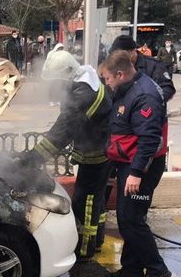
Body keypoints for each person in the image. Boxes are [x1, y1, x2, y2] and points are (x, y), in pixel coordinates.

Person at [18, 50, 112, 259]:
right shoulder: (85, 80)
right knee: (96, 198)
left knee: (85, 201)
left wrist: (32, 158)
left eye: (56, 82)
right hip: (100, 150)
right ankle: (97, 241)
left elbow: (61, 133)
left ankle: (84, 250)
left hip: (96, 156)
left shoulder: (83, 95)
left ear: (66, 76)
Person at [99, 50, 172, 277]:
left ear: (120, 74)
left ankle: (157, 268)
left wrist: (137, 172)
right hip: (129, 162)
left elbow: (150, 139)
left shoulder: (145, 95)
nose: (107, 83)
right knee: (127, 217)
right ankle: (131, 268)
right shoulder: (128, 87)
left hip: (142, 166)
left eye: (108, 79)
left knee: (131, 219)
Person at [110, 35, 175, 102]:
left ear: (132, 51)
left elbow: (167, 88)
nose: (117, 58)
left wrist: (149, 101)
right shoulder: (114, 66)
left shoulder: (153, 65)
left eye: (119, 55)